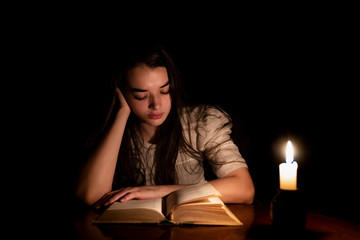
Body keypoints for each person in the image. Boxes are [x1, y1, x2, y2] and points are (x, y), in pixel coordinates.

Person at [75, 44, 255, 209]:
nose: (156, 105)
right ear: (121, 93)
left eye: (164, 90)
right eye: (141, 95)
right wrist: (121, 113)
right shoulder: (108, 129)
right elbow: (92, 196)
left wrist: (158, 191)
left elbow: (245, 189)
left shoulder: (200, 123)